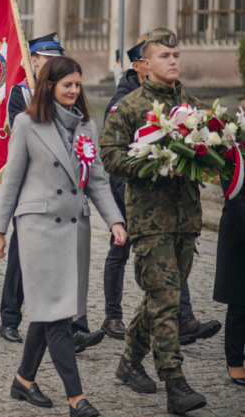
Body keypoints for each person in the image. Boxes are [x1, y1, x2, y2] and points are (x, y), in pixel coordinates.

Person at [0, 56, 126, 417]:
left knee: (48, 312)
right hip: (38, 229)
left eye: (78, 85)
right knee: (58, 317)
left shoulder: (86, 126)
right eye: (68, 84)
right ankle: (76, 398)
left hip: (74, 229)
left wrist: (114, 220)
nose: (74, 91)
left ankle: (23, 380)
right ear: (49, 86)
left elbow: (96, 180)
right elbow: (12, 181)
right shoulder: (26, 124)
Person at [100, 27, 208, 414]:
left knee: (161, 298)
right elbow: (109, 156)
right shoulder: (128, 106)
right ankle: (175, 383)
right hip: (150, 219)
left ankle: (130, 362)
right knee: (165, 301)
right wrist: (150, 162)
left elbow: (207, 150)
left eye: (176, 54)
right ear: (145, 64)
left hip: (186, 218)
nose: (174, 61)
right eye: (165, 56)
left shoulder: (193, 106)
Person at [0, 32, 106, 355]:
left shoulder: (74, 102)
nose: (53, 62)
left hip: (67, 202)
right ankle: (9, 316)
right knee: (20, 259)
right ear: (35, 61)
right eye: (47, 58)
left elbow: (92, 169)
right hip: (34, 195)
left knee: (71, 263)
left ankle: (74, 325)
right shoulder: (20, 94)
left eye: (57, 56)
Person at [215, 179, 245, 387]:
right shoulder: (236, 152)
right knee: (240, 302)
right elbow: (235, 197)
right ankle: (235, 362)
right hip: (239, 229)